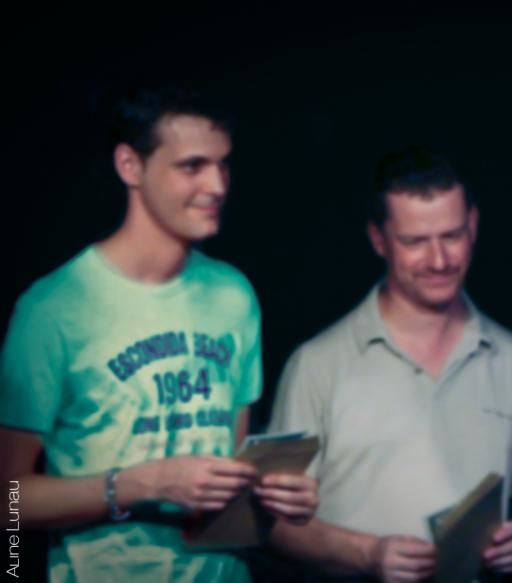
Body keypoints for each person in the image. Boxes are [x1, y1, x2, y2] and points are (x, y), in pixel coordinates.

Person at [0, 86, 318, 583]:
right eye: (192, 166)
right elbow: (9, 502)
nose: (217, 185)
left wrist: (274, 497)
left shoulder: (233, 296)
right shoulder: (52, 309)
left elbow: (232, 480)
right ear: (130, 165)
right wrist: (148, 483)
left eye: (223, 165)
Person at [267, 146, 512, 581]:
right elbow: (274, 523)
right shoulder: (315, 365)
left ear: (473, 225)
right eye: (414, 242)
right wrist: (367, 554)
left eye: (451, 236)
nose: (439, 260)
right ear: (378, 239)